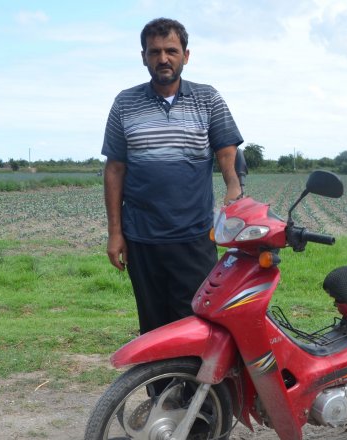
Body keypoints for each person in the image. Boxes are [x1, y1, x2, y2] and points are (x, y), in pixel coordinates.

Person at [102, 18, 243, 335]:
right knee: (154, 326)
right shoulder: (125, 103)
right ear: (143, 57)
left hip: (194, 236)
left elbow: (226, 151)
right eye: (154, 52)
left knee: (196, 323)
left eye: (171, 50)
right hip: (141, 236)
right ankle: (161, 386)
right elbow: (115, 169)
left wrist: (233, 187)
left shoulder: (208, 99)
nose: (163, 58)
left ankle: (197, 386)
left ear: (186, 55)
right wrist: (115, 233)